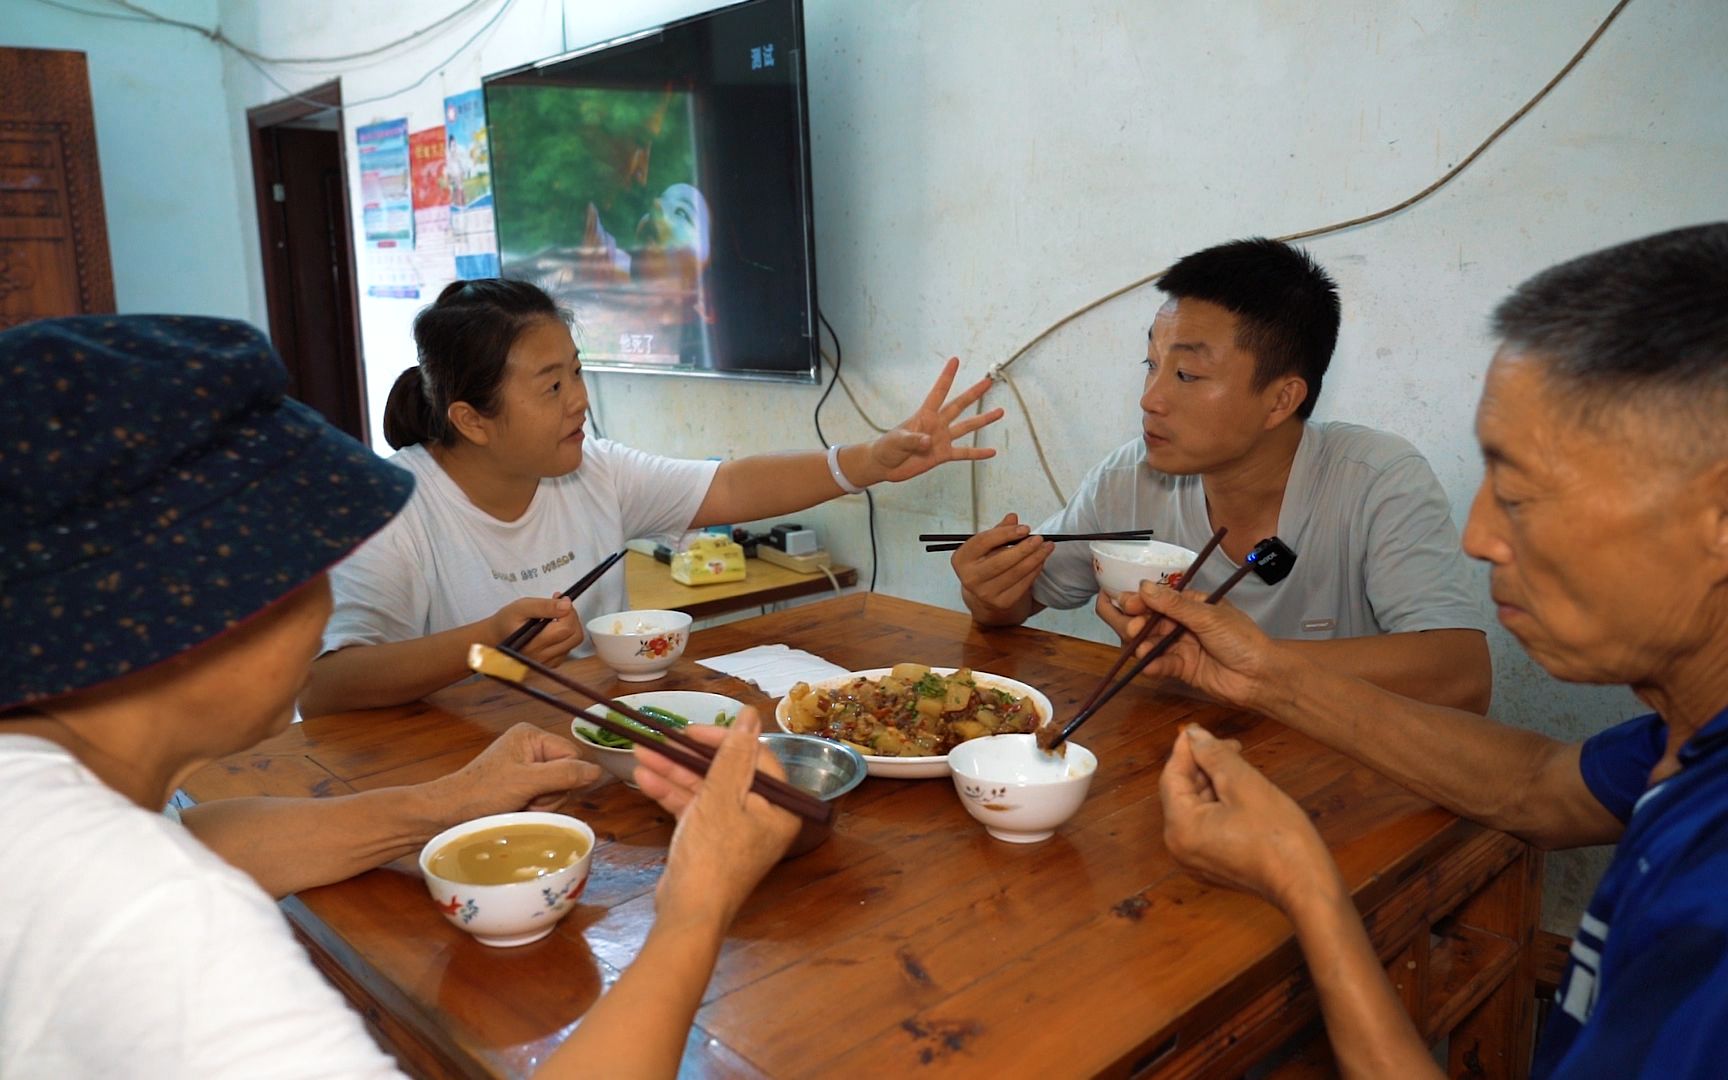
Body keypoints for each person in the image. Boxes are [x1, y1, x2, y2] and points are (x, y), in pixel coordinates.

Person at [0, 315, 801, 1076]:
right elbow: (181, 877)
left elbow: (205, 841)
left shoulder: (50, 805)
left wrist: (450, 800)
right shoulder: (162, 926)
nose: (326, 603)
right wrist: (699, 902)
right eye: (315, 566)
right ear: (206, 613)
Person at [1130, 223, 1728, 1077]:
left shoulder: (1715, 909)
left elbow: (1461, 677)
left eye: (1519, 494)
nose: (1481, 536)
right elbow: (1537, 786)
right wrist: (1262, 672)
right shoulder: (1686, 746)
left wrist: (1308, 885)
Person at [303, 278, 1003, 716]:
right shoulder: (389, 511)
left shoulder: (593, 472)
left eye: (576, 373)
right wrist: (488, 643)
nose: (579, 400)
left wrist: (870, 460)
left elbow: (729, 484)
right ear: (471, 419)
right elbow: (328, 686)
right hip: (448, 774)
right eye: (551, 387)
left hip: (595, 740)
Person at [950, 238, 1493, 711]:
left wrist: (1247, 659)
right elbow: (1016, 601)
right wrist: (990, 593)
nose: (1150, 398)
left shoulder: (1376, 480)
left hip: (1336, 786)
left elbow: (1462, 677)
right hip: (1174, 769)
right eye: (1151, 366)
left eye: (1187, 373)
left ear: (1281, 399)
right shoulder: (1130, 478)